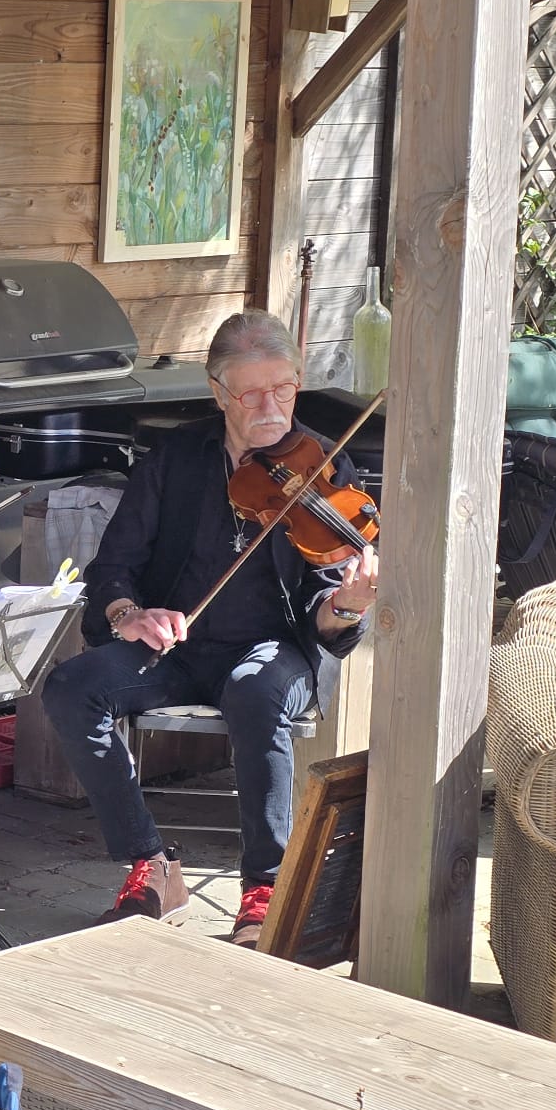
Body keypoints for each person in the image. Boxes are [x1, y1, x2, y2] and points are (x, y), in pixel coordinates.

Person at [42, 310, 378, 948]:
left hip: (279, 651)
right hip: (179, 647)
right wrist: (128, 615)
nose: (270, 408)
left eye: (283, 389)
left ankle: (265, 888)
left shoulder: (327, 470)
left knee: (255, 690)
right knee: (71, 687)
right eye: (251, 394)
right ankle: (151, 865)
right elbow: (113, 566)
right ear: (218, 392)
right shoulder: (174, 457)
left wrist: (351, 603)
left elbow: (328, 620)